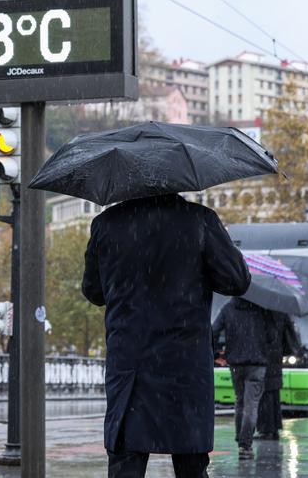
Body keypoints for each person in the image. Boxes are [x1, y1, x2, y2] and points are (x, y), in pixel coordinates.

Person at [82, 194, 250, 478]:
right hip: (184, 364)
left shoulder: (106, 224)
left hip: (130, 365)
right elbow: (237, 281)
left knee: (126, 461)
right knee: (190, 463)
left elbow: (93, 291)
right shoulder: (199, 220)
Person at [211, 298, 269, 458]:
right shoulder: (261, 307)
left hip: (236, 362)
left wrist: (216, 354)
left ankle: (240, 438)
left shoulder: (229, 308)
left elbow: (213, 331)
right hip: (257, 362)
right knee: (252, 404)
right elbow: (272, 334)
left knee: (240, 401)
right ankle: (245, 445)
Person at [255, 309, 301, 440]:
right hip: (276, 357)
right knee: (274, 395)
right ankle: (274, 428)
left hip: (266, 358)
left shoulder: (264, 313)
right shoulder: (282, 312)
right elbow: (289, 338)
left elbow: (265, 336)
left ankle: (266, 430)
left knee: (266, 395)